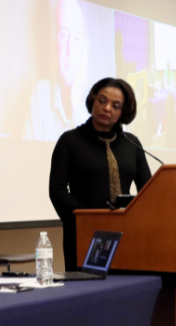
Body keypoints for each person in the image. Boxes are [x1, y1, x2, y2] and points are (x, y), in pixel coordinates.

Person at [49, 77, 151, 271]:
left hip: (127, 235)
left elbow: (148, 191)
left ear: (123, 112)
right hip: (83, 235)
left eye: (116, 105)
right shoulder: (70, 141)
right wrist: (86, 219)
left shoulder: (132, 144)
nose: (107, 108)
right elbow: (57, 190)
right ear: (92, 101)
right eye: (102, 101)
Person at [23, 0, 89, 141]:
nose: (70, 49)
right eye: (64, 35)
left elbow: (97, 160)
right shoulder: (39, 96)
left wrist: (75, 104)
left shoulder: (103, 104)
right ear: (55, 42)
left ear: (85, 48)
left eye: (77, 38)